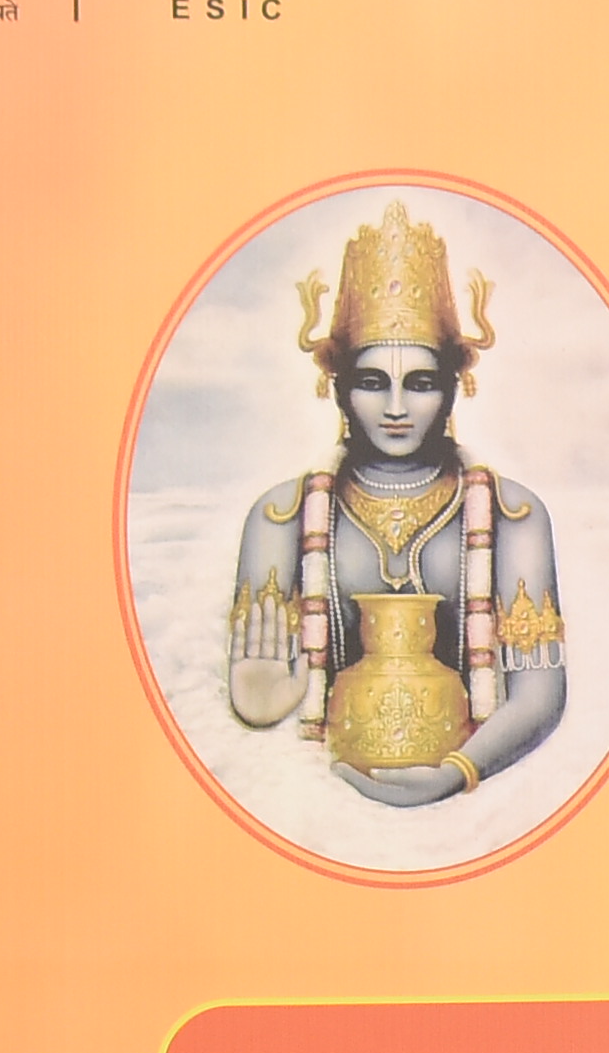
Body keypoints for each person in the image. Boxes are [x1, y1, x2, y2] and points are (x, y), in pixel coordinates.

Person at [222, 196, 570, 809]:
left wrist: (458, 773)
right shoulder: (282, 516)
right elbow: (259, 696)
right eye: (372, 382)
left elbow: (539, 694)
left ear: (454, 386)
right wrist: (258, 707)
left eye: (421, 383)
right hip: (318, 808)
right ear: (338, 387)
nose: (396, 409)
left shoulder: (512, 514)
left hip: (472, 808)